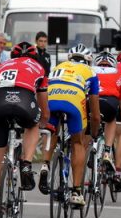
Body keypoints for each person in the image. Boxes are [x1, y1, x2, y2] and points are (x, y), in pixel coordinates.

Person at [0, 42, 49, 218]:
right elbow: (44, 106)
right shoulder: (39, 68)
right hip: (24, 102)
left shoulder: (2, 66)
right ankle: (26, 162)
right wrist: (44, 121)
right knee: (33, 124)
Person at [38, 43, 100, 207]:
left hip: (52, 97)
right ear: (88, 61)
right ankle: (76, 192)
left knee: (51, 132)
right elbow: (94, 113)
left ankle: (45, 165)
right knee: (77, 143)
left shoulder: (58, 66)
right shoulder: (91, 73)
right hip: (73, 100)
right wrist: (93, 133)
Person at [92, 51, 121, 192]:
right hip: (109, 102)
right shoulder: (120, 75)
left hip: (91, 102)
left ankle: (87, 151)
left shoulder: (89, 71)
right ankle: (108, 150)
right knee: (111, 119)